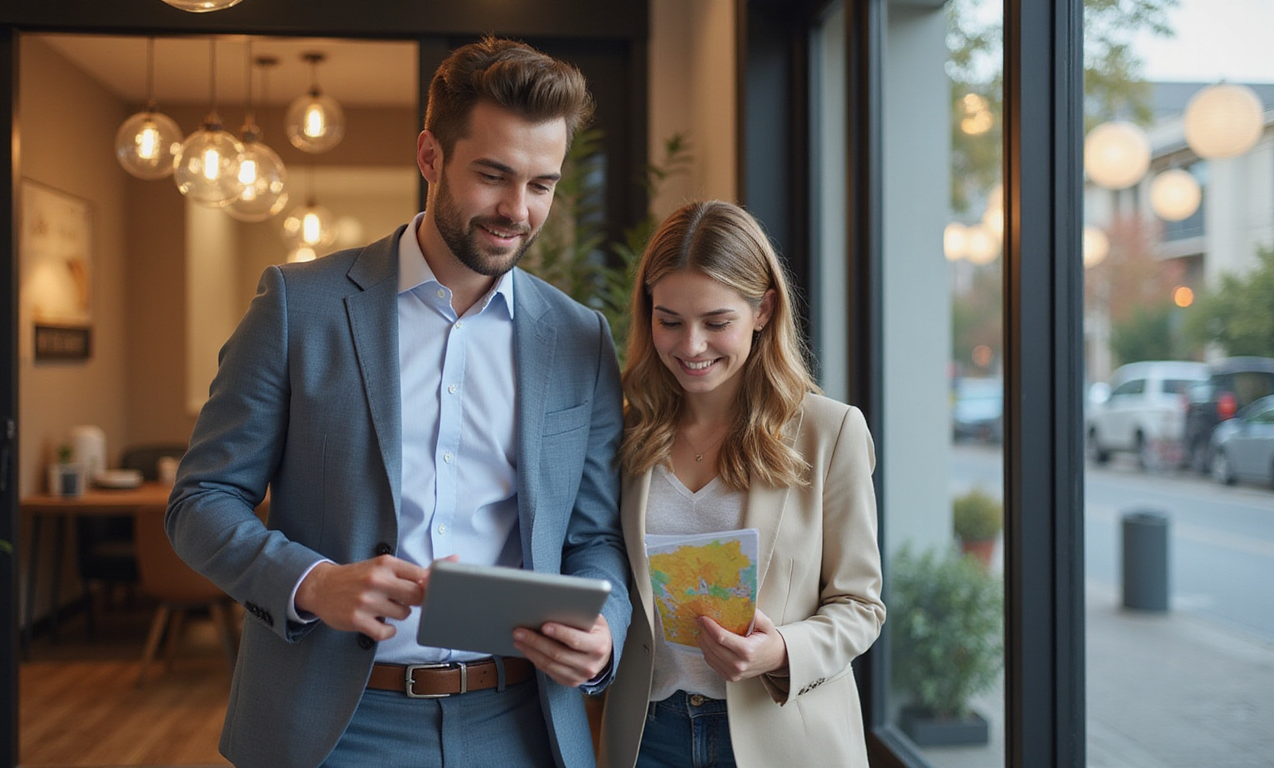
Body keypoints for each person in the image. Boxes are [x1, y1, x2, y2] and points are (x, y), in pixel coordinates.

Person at [166, 36, 630, 768]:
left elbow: (596, 535)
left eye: (542, 184)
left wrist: (607, 632)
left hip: (521, 725)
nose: (518, 210)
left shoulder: (581, 338)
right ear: (430, 157)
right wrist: (312, 583)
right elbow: (200, 501)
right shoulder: (299, 306)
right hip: (335, 726)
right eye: (493, 176)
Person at [597, 200, 885, 767]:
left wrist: (780, 650)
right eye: (669, 320)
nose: (691, 346)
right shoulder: (625, 432)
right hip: (647, 735)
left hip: (783, 735)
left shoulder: (829, 432)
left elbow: (860, 604)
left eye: (717, 322)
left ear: (763, 311)